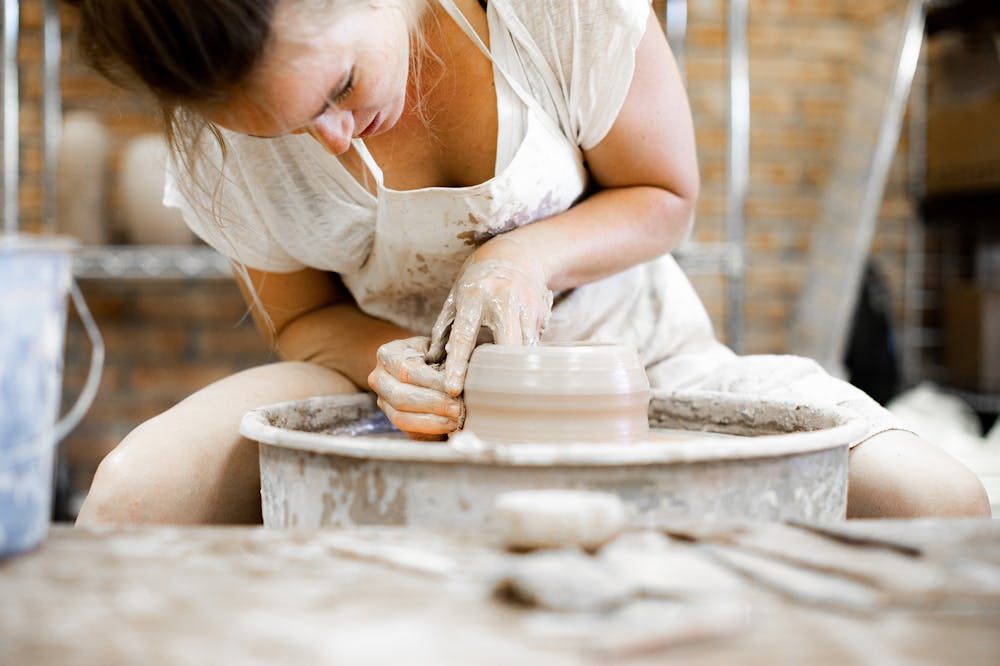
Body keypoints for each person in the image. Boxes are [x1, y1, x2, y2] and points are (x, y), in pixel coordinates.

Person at [67, 0, 990, 525]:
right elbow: (302, 319)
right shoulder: (212, 144)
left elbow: (665, 195)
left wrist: (525, 256)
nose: (336, 142)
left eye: (341, 87)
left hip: (639, 370)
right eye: (287, 129)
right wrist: (382, 364)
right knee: (136, 494)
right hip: (388, 401)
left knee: (933, 499)